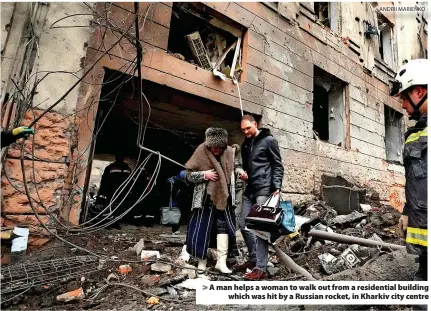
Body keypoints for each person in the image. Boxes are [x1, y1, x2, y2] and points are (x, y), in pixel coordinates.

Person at [390, 58, 428, 282]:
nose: (402, 105)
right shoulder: (415, 133)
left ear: (420, 92)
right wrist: (406, 211)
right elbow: (417, 180)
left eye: (404, 98)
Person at [184, 127, 239, 277]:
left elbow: (235, 167)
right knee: (202, 229)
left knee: (224, 228)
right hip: (204, 199)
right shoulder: (200, 151)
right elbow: (188, 175)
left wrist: (240, 172)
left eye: (218, 147)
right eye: (213, 147)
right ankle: (201, 262)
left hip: (224, 198)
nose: (216, 150)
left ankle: (221, 262)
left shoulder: (229, 152)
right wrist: (204, 174)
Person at [234, 114, 284, 280]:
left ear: (255, 124)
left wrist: (276, 186)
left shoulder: (269, 140)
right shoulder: (246, 144)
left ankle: (260, 267)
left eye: (248, 128)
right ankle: (254, 257)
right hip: (250, 190)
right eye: (243, 130)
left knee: (260, 228)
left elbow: (278, 165)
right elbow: (246, 166)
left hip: (264, 188)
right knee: (243, 223)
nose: (246, 132)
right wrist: (244, 174)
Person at [96, 154, 131, 228]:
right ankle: (108, 223)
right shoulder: (110, 167)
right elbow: (104, 180)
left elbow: (130, 181)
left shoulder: (127, 168)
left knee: (118, 207)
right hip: (111, 191)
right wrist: (102, 192)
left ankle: (115, 223)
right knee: (109, 206)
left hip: (120, 191)